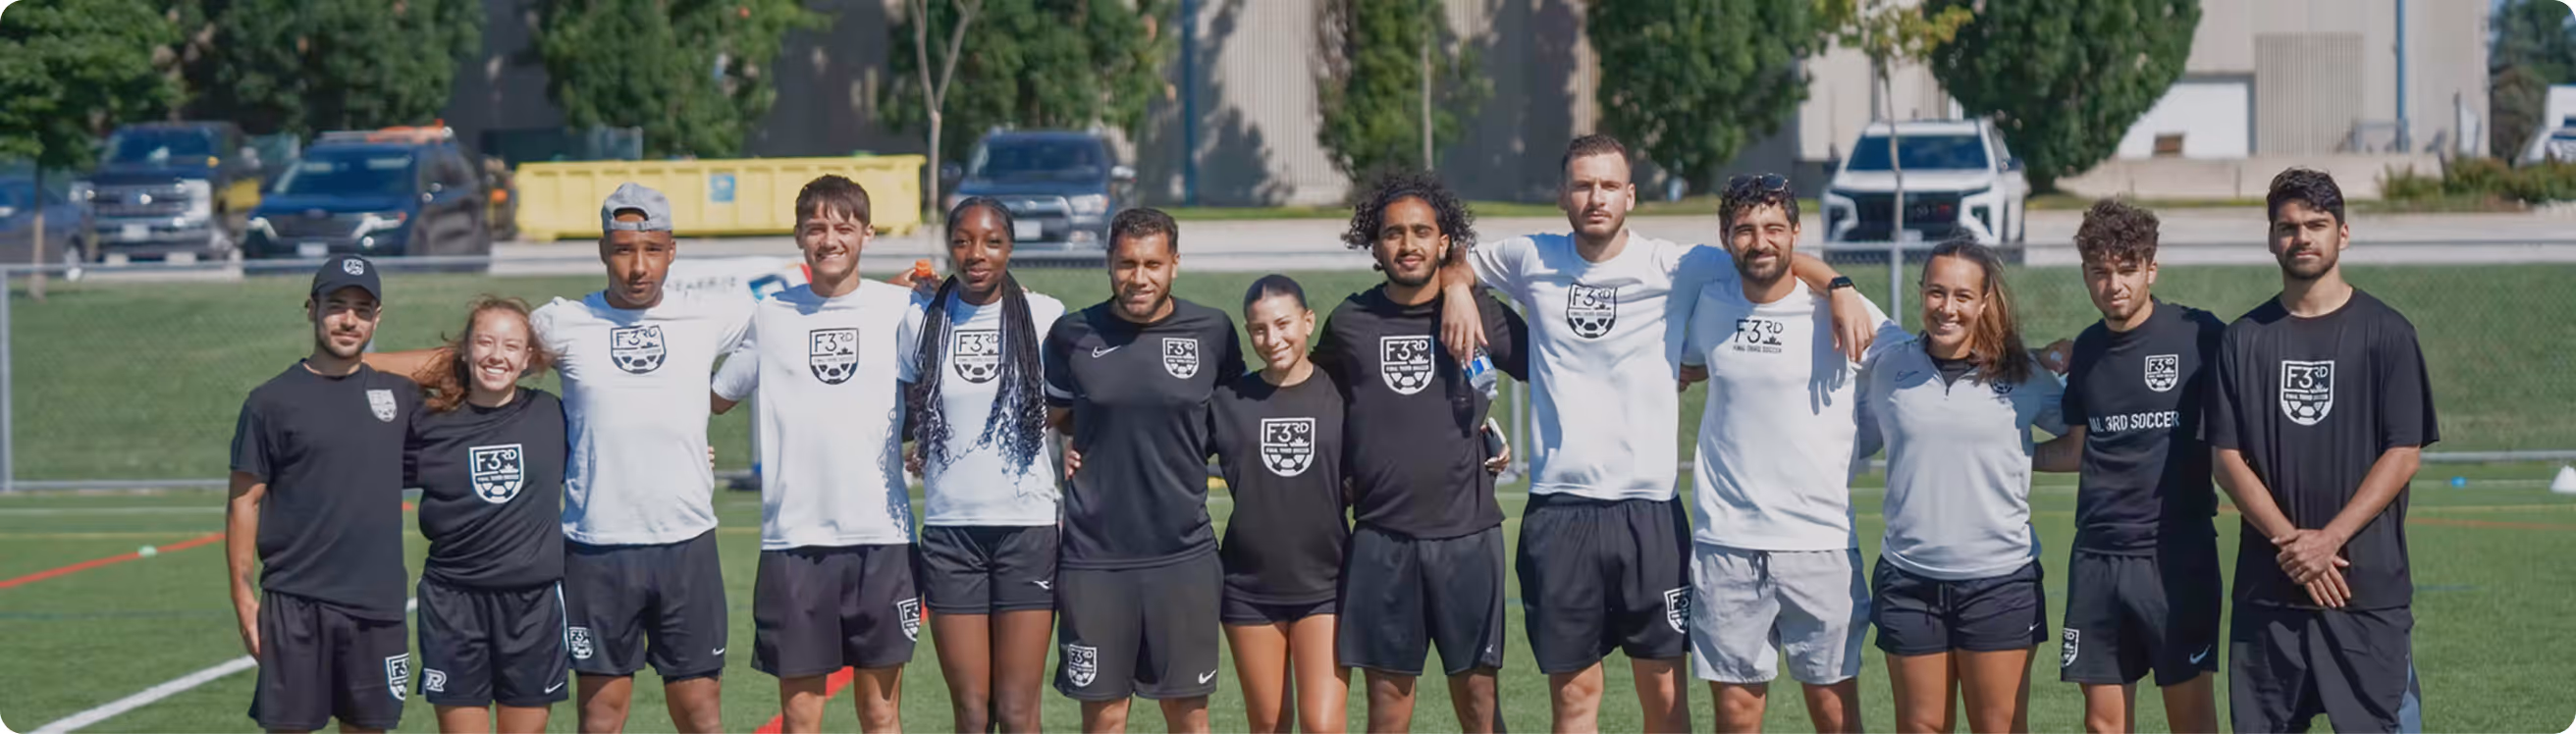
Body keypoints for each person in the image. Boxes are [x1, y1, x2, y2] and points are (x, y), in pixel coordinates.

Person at [1435, 134, 1871, 733]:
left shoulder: (1676, 265)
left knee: (1665, 701)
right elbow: (1455, 257)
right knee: (1574, 699)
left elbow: (1769, 254)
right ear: (1563, 195)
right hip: (1560, 509)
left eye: (1609, 185)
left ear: (1631, 195)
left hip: (1651, 515)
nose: (1596, 198)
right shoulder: (1529, 256)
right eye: (1584, 185)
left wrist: (1841, 285)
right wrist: (1458, 287)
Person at [375, 183, 748, 733]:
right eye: (623, 250)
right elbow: (473, 359)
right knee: (600, 717)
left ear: (672, 250)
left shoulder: (712, 314)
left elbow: (790, 329)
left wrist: (713, 403)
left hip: (686, 545)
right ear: (603, 251)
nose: (638, 266)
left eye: (651, 249)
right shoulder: (563, 323)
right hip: (595, 551)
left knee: (700, 714)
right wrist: (356, 366)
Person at [2209, 169, 2436, 734]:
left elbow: (2403, 453)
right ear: (2270, 239)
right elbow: (2226, 460)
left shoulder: (2388, 333)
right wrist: (2294, 545)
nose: (2302, 237)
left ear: (2343, 234)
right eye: (2288, 227)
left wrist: (2328, 541)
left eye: (2317, 225)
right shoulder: (2244, 339)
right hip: (2270, 594)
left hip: (2363, 593)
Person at [1683, 174, 1907, 734]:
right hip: (1727, 545)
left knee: (1834, 714)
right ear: (1725, 236)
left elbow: (1913, 366)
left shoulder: (1843, 310)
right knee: (1737, 716)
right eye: (1745, 230)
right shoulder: (1707, 305)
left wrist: (1840, 285)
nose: (1760, 242)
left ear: (1796, 234)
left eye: (1774, 229)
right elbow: (1683, 369)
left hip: (1820, 543)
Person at [705, 176, 920, 733]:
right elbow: (715, 398)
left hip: (882, 538)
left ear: (867, 235)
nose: (830, 239)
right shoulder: (769, 315)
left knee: (880, 714)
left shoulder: (900, 308)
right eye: (816, 227)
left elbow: (943, 388)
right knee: (802, 720)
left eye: (844, 227)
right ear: (799, 235)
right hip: (794, 542)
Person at [1318, 171, 1525, 734]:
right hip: (1383, 540)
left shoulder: (1482, 312)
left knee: (1480, 706)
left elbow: (1556, 371)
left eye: (1420, 232)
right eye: (1392, 233)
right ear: (1374, 243)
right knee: (1387, 711)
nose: (1407, 245)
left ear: (1444, 242)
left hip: (1467, 536)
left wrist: (1464, 290)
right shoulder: (1350, 323)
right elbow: (1314, 406)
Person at [1852, 237, 2070, 734]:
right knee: (1921, 727)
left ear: (1985, 301)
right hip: (1908, 584)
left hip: (1999, 584)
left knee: (1998, 727)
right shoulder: (1890, 368)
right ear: (1921, 293)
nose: (1946, 308)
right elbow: (1848, 439)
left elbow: (2081, 439)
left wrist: (2019, 458)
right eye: (1935, 292)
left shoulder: (2024, 374)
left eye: (1962, 296)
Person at [2028, 199, 2226, 734]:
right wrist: (2002, 458)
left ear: (2151, 268)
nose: (2113, 284)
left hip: (2176, 556)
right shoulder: (2087, 351)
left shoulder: (2200, 335)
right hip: (2096, 557)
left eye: (2126, 269)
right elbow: (2074, 450)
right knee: (2103, 725)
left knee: (2191, 720)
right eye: (2100, 271)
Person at [1044, 208, 1242, 733]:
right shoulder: (1072, 335)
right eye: (1126, 264)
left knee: (1188, 716)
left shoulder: (1212, 331)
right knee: (1105, 718)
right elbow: (1051, 417)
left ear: (1174, 263)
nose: (1139, 278)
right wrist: (1060, 446)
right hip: (1094, 559)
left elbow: (1237, 421)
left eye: (1152, 264)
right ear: (1109, 263)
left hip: (1183, 556)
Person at [228, 255, 416, 733]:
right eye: (337, 306)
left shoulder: (399, 395)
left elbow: (459, 361)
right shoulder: (270, 401)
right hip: (296, 603)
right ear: (311, 308)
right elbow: (244, 502)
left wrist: (369, 360)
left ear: (378, 318)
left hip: (377, 605)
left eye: (362, 309)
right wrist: (244, 598)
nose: (349, 320)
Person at [906, 196, 1070, 734]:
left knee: (1019, 712)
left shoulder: (1046, 316)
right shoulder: (920, 317)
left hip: (1027, 530)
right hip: (952, 535)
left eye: (992, 241)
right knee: (973, 713)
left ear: (1011, 248)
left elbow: (1071, 409)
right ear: (948, 247)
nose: (976, 253)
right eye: (962, 241)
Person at [404, 297, 571, 734]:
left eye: (511, 346)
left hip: (532, 606)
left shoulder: (552, 415)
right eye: (485, 342)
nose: (497, 355)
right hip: (453, 605)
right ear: (463, 351)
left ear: (528, 358)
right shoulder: (428, 422)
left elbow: (617, 446)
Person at [1206, 275, 1352, 734]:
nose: (1273, 339)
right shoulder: (1228, 401)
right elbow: (1164, 448)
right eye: (1259, 330)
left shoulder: (1344, 395)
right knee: (1268, 724)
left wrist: (1482, 440)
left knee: (1322, 724)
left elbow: (1407, 435)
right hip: (1249, 588)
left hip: (1327, 583)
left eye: (1284, 324)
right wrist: (1084, 450)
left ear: (1308, 322)